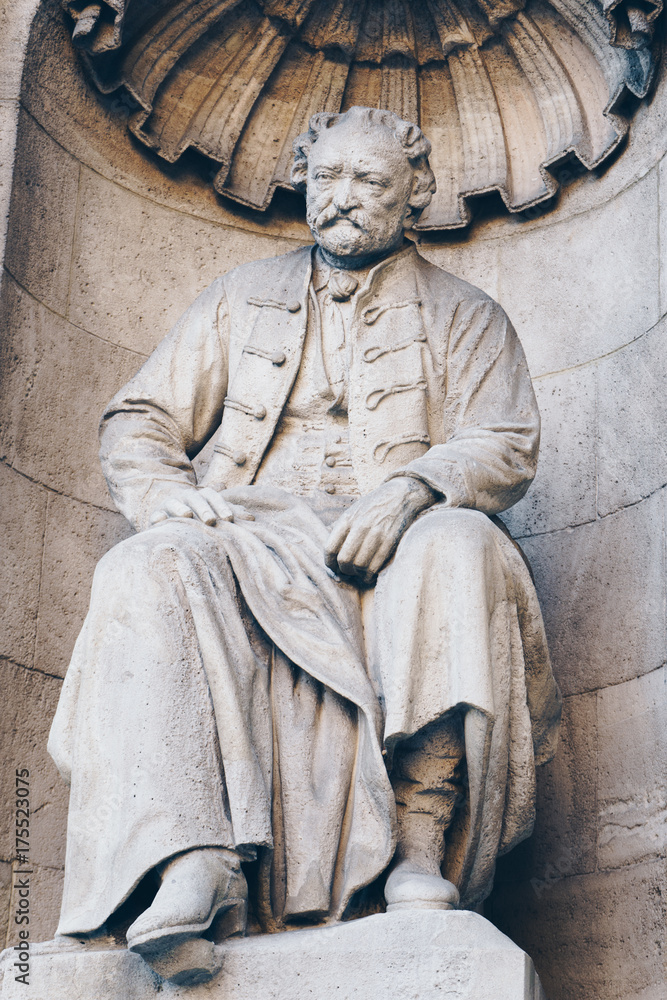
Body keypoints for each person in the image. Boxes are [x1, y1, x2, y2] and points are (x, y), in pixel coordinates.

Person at [48, 106, 561, 985]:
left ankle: (416, 843)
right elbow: (141, 418)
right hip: (252, 531)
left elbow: (504, 439)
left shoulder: (465, 315)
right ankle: (192, 858)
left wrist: (411, 492)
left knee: (458, 546)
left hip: (394, 541)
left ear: (415, 194)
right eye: (327, 179)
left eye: (367, 182)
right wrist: (165, 494)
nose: (342, 199)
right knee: (147, 562)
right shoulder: (239, 298)